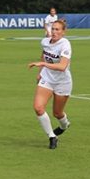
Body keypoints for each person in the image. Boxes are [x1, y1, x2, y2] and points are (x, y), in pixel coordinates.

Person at [28, 20, 72, 149]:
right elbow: (44, 54)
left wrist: (43, 65)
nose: (54, 32)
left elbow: (63, 66)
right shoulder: (45, 41)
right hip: (47, 79)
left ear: (63, 32)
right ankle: (52, 136)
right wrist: (41, 72)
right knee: (38, 108)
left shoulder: (65, 44)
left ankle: (64, 125)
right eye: (53, 29)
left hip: (62, 82)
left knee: (57, 113)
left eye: (57, 30)